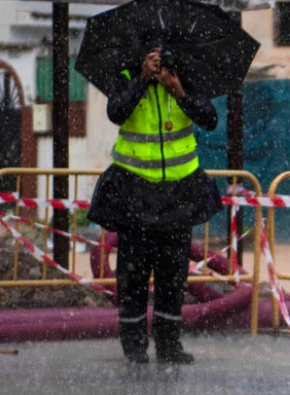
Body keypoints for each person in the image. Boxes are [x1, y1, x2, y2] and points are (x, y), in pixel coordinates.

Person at [88, 46, 222, 365]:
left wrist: (178, 91)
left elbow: (210, 119)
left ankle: (168, 344)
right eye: (152, 54)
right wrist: (142, 79)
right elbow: (116, 112)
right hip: (135, 194)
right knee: (132, 278)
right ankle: (134, 347)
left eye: (163, 52)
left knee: (173, 276)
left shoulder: (184, 77)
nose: (158, 59)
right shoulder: (125, 77)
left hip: (179, 194)